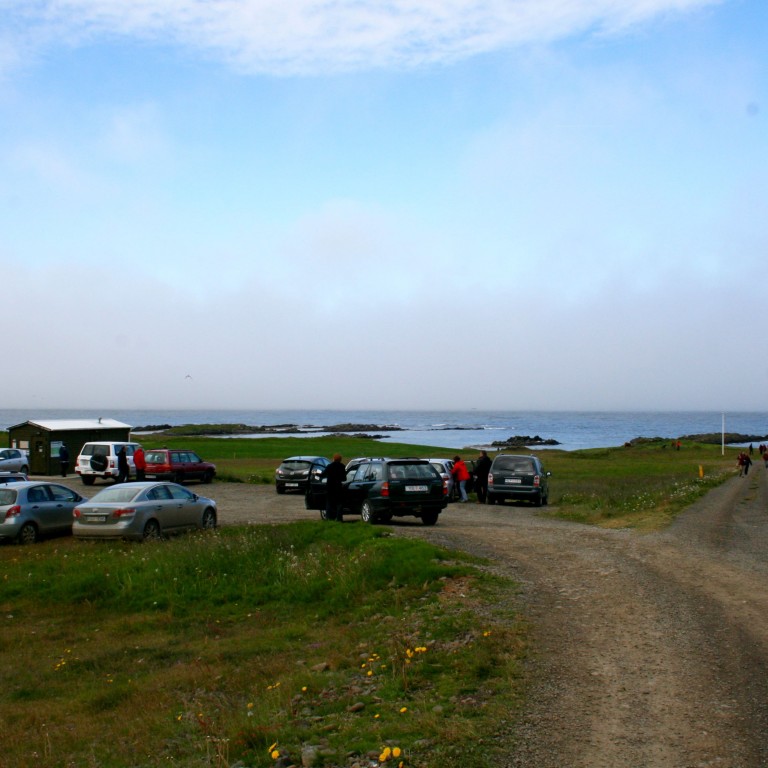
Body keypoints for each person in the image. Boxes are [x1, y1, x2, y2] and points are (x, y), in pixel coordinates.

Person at [321, 453, 347, 521]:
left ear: (333, 459)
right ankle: (339, 518)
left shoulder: (329, 466)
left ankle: (329, 518)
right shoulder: (342, 466)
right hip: (338, 488)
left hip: (330, 487)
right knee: (339, 504)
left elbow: (323, 474)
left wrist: (316, 473)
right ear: (340, 460)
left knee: (329, 503)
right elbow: (344, 478)